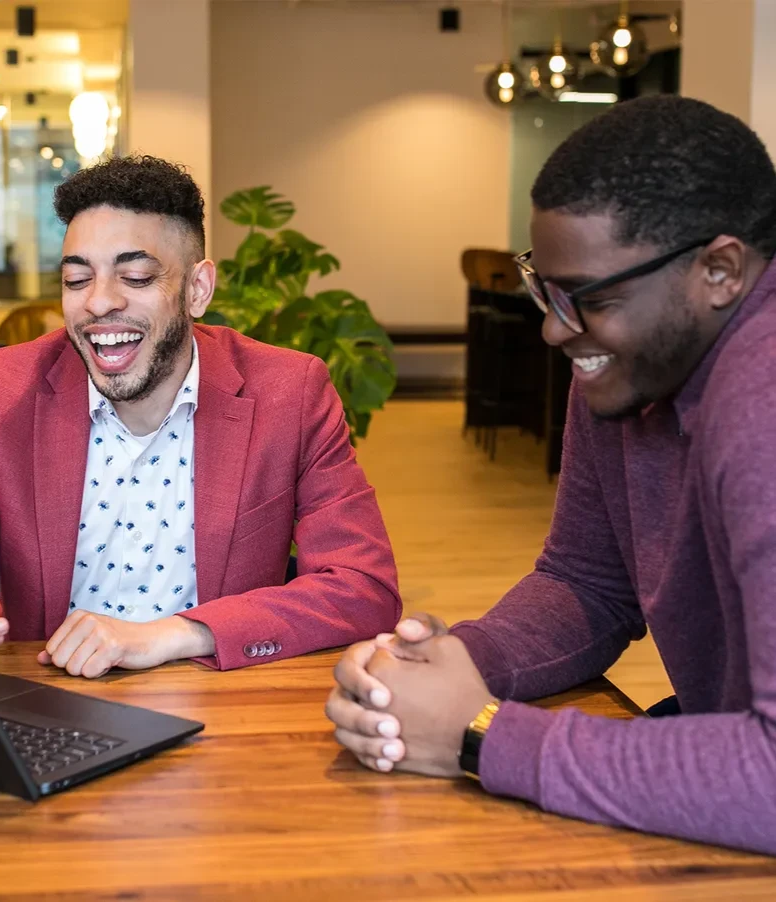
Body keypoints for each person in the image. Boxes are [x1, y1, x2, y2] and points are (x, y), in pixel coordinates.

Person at [326, 96, 776, 854]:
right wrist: (452, 665)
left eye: (591, 300)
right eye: (547, 289)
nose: (554, 329)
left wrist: (479, 738)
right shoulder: (629, 367)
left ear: (720, 270)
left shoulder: (761, 399)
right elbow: (588, 581)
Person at [0, 155, 401, 676]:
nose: (99, 302)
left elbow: (362, 586)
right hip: (47, 691)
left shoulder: (289, 392)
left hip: (222, 700)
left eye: (134, 276)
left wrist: (172, 635)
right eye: (77, 280)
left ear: (197, 290)